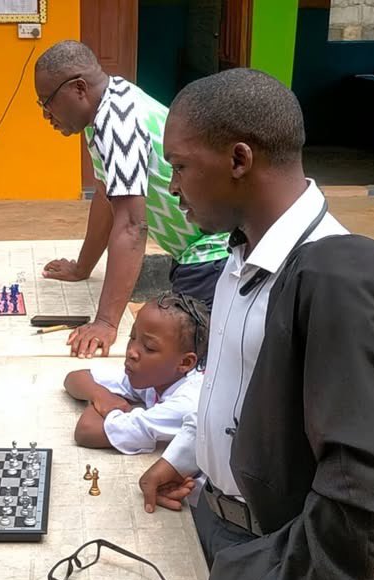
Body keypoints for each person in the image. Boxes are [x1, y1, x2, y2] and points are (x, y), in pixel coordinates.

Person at [138, 69, 374, 580]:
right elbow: (232, 384)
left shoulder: (338, 284)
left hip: (277, 561)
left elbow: (367, 493)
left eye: (181, 165)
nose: (172, 184)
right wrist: (189, 455)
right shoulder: (239, 259)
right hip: (219, 522)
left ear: (239, 159)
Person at [33, 40, 231, 359]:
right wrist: (83, 267)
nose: (45, 114)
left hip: (214, 255)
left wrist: (105, 323)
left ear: (79, 88)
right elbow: (105, 196)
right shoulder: (103, 109)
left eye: (47, 102)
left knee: (175, 360)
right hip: (196, 253)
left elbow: (131, 226)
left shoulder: (117, 122)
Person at [64, 292, 208, 454]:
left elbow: (87, 431)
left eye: (149, 347)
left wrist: (104, 403)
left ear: (185, 363)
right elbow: (75, 378)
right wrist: (102, 397)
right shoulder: (158, 377)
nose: (132, 351)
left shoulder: (186, 404)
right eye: (132, 337)